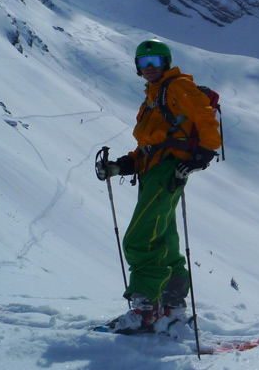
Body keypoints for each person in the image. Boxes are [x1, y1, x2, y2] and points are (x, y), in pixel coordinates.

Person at [95, 38, 221, 334]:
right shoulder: (153, 96)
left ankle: (145, 311)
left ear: (166, 63)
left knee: (139, 239)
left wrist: (201, 156)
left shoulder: (177, 87)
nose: (149, 67)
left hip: (167, 171)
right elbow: (150, 145)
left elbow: (205, 116)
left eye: (155, 62)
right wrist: (120, 167)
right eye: (143, 62)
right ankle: (172, 307)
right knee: (164, 239)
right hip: (155, 170)